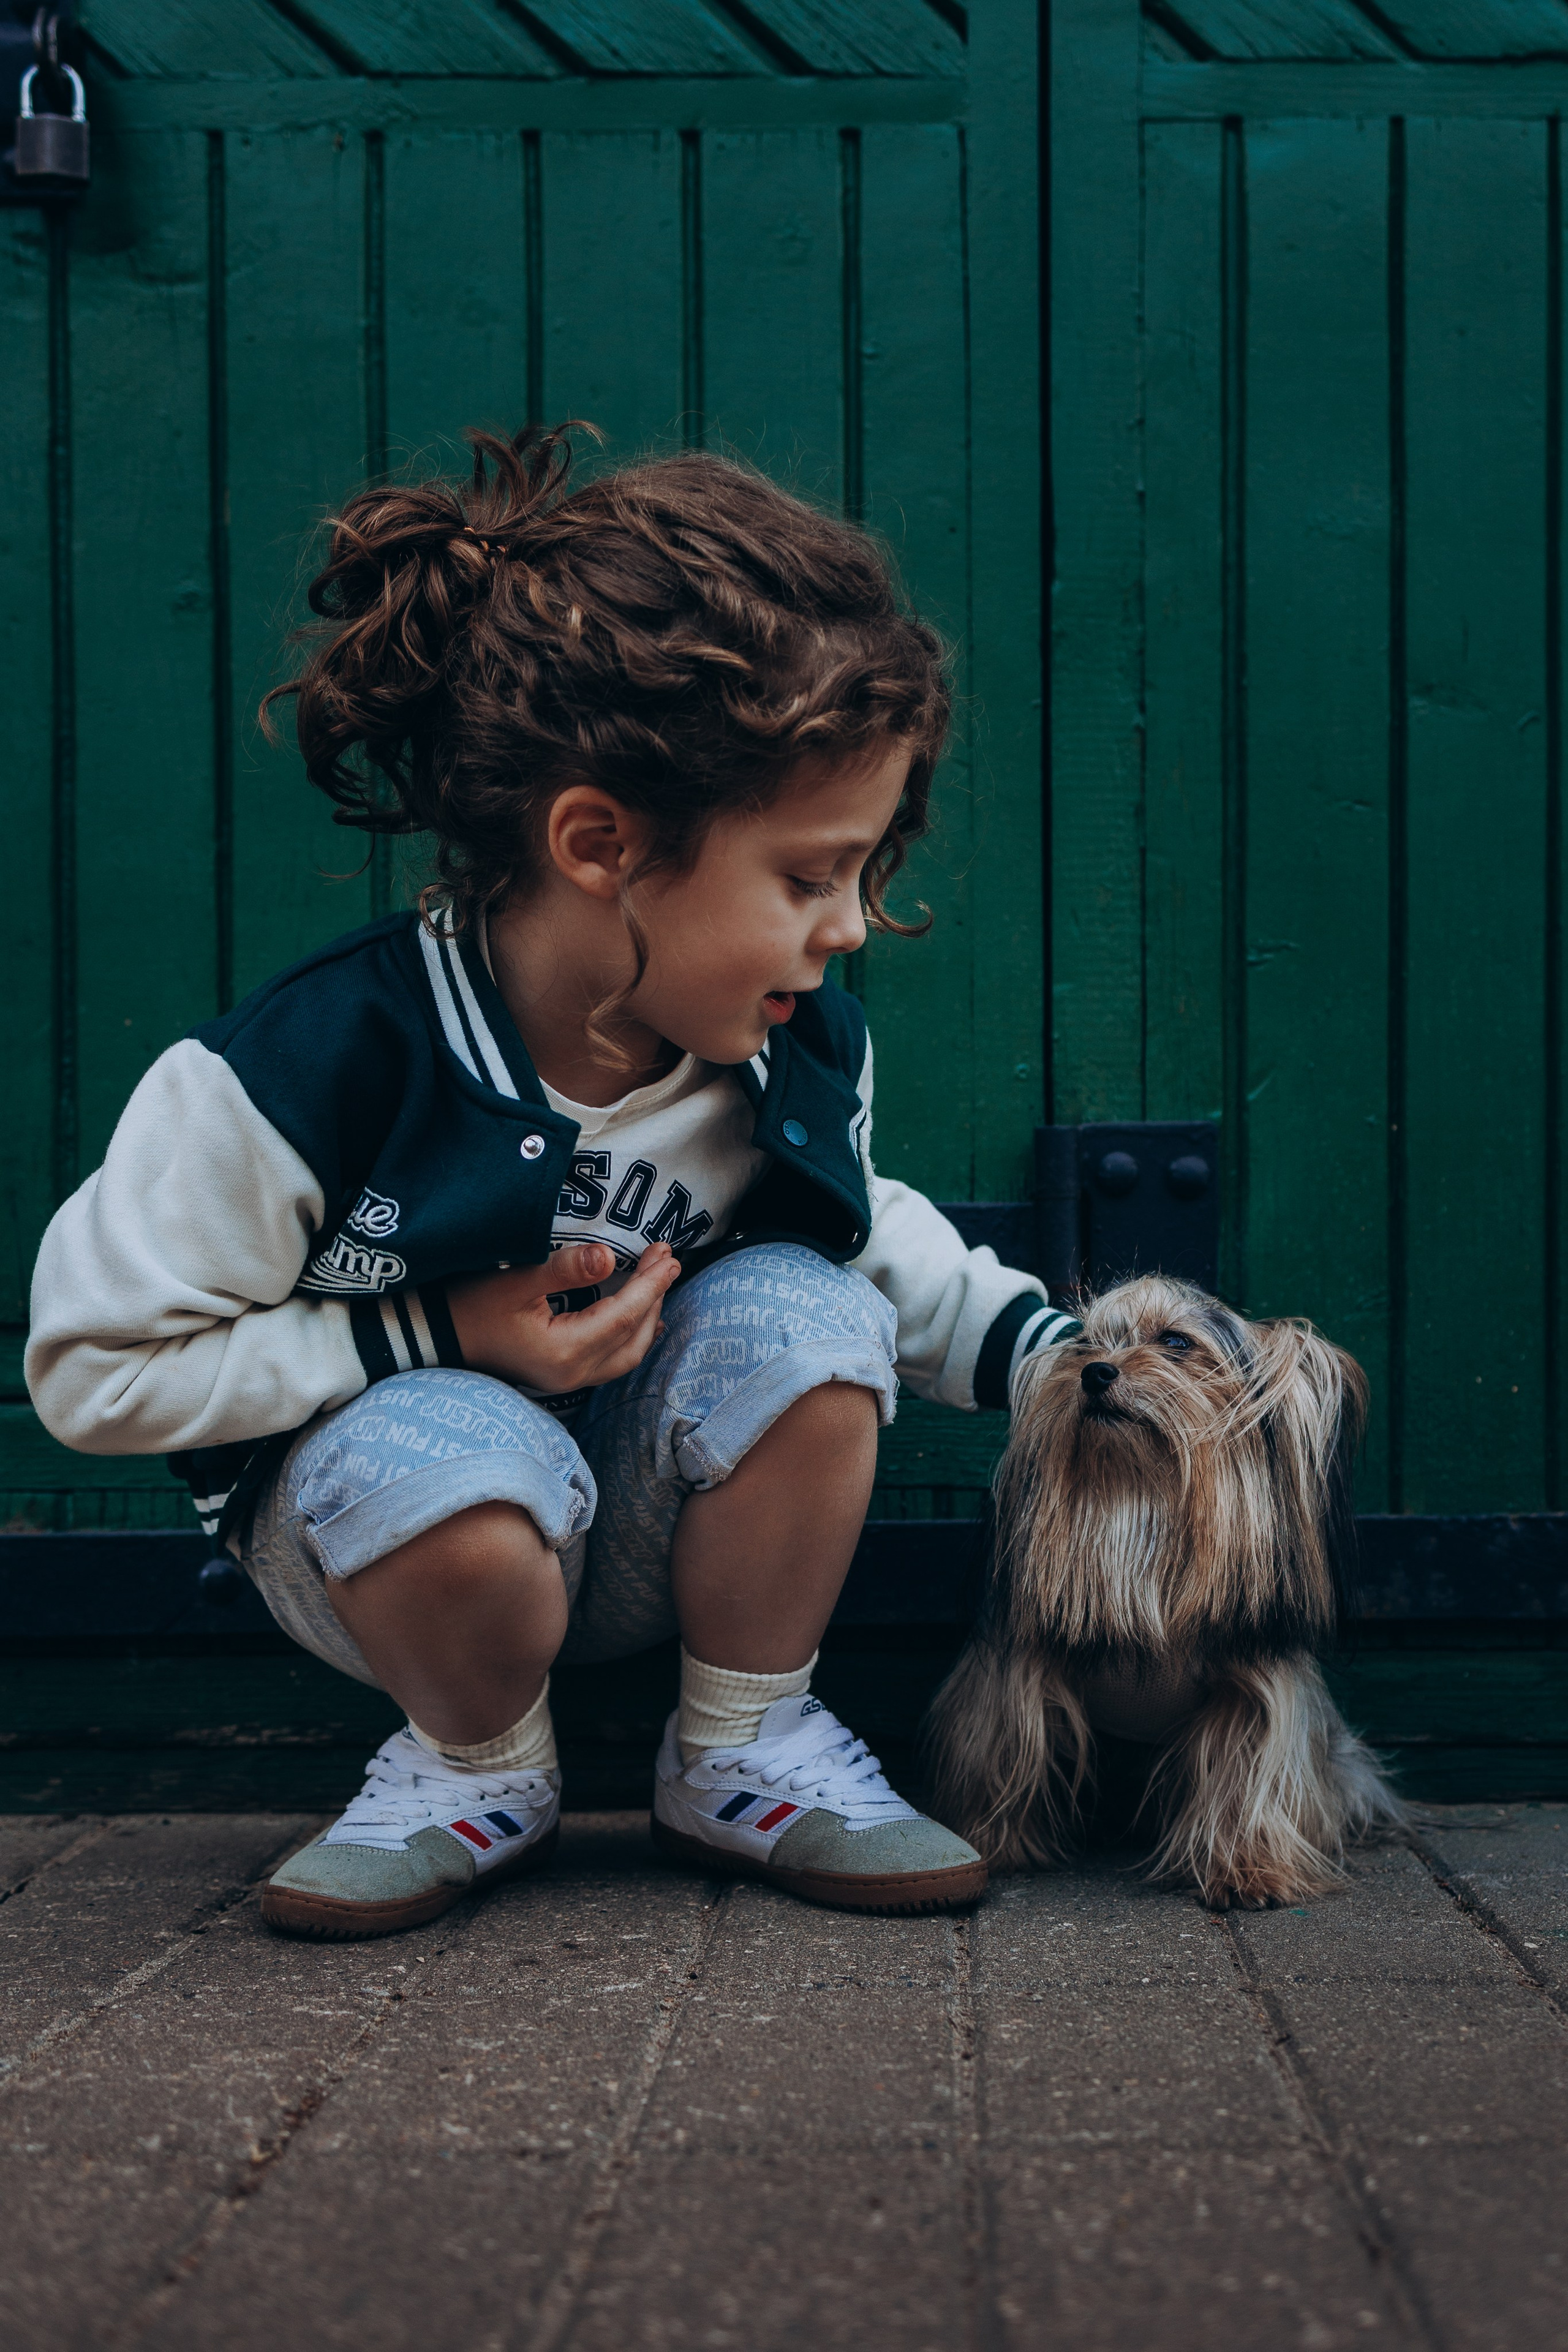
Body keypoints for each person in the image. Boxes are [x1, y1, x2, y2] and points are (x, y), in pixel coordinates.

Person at [27, 426, 1080, 1940]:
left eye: (860, 876)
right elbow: (92, 1371)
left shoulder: (777, 1042)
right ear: (600, 843)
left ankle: (743, 1748)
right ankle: (469, 1769)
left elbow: (866, 1234)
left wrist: (1061, 1362)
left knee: (804, 1310)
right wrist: (440, 1334)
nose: (849, 926)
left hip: (636, 1520)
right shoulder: (307, 1068)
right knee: (445, 1449)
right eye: (806, 877)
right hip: (387, 1542)